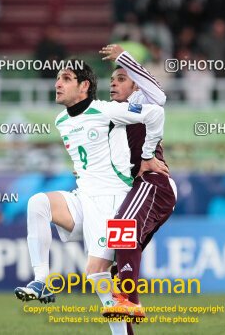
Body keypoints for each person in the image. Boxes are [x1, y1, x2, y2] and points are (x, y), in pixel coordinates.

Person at [14, 61, 166, 335]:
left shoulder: (106, 110)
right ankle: (41, 280)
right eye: (58, 78)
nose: (58, 83)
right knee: (38, 203)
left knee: (97, 274)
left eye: (66, 78)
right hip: (83, 197)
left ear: (84, 86)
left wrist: (147, 156)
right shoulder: (61, 121)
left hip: (113, 202)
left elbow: (155, 114)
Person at [98, 45, 177, 334]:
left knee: (122, 228)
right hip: (138, 188)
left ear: (134, 85)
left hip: (155, 184)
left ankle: (129, 301)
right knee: (119, 264)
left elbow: (160, 95)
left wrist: (124, 59)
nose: (113, 84)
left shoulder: (142, 103)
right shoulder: (112, 115)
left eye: (121, 79)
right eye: (112, 81)